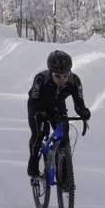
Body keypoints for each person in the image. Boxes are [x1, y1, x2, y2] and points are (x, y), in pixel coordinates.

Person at [27, 50, 91, 178]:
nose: (62, 79)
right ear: (51, 72)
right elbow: (33, 100)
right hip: (38, 106)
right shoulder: (40, 79)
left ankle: (65, 178)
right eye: (57, 76)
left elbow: (79, 102)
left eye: (65, 75)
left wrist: (83, 112)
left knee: (64, 139)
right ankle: (33, 163)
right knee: (38, 134)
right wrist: (36, 112)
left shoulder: (74, 81)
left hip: (57, 107)